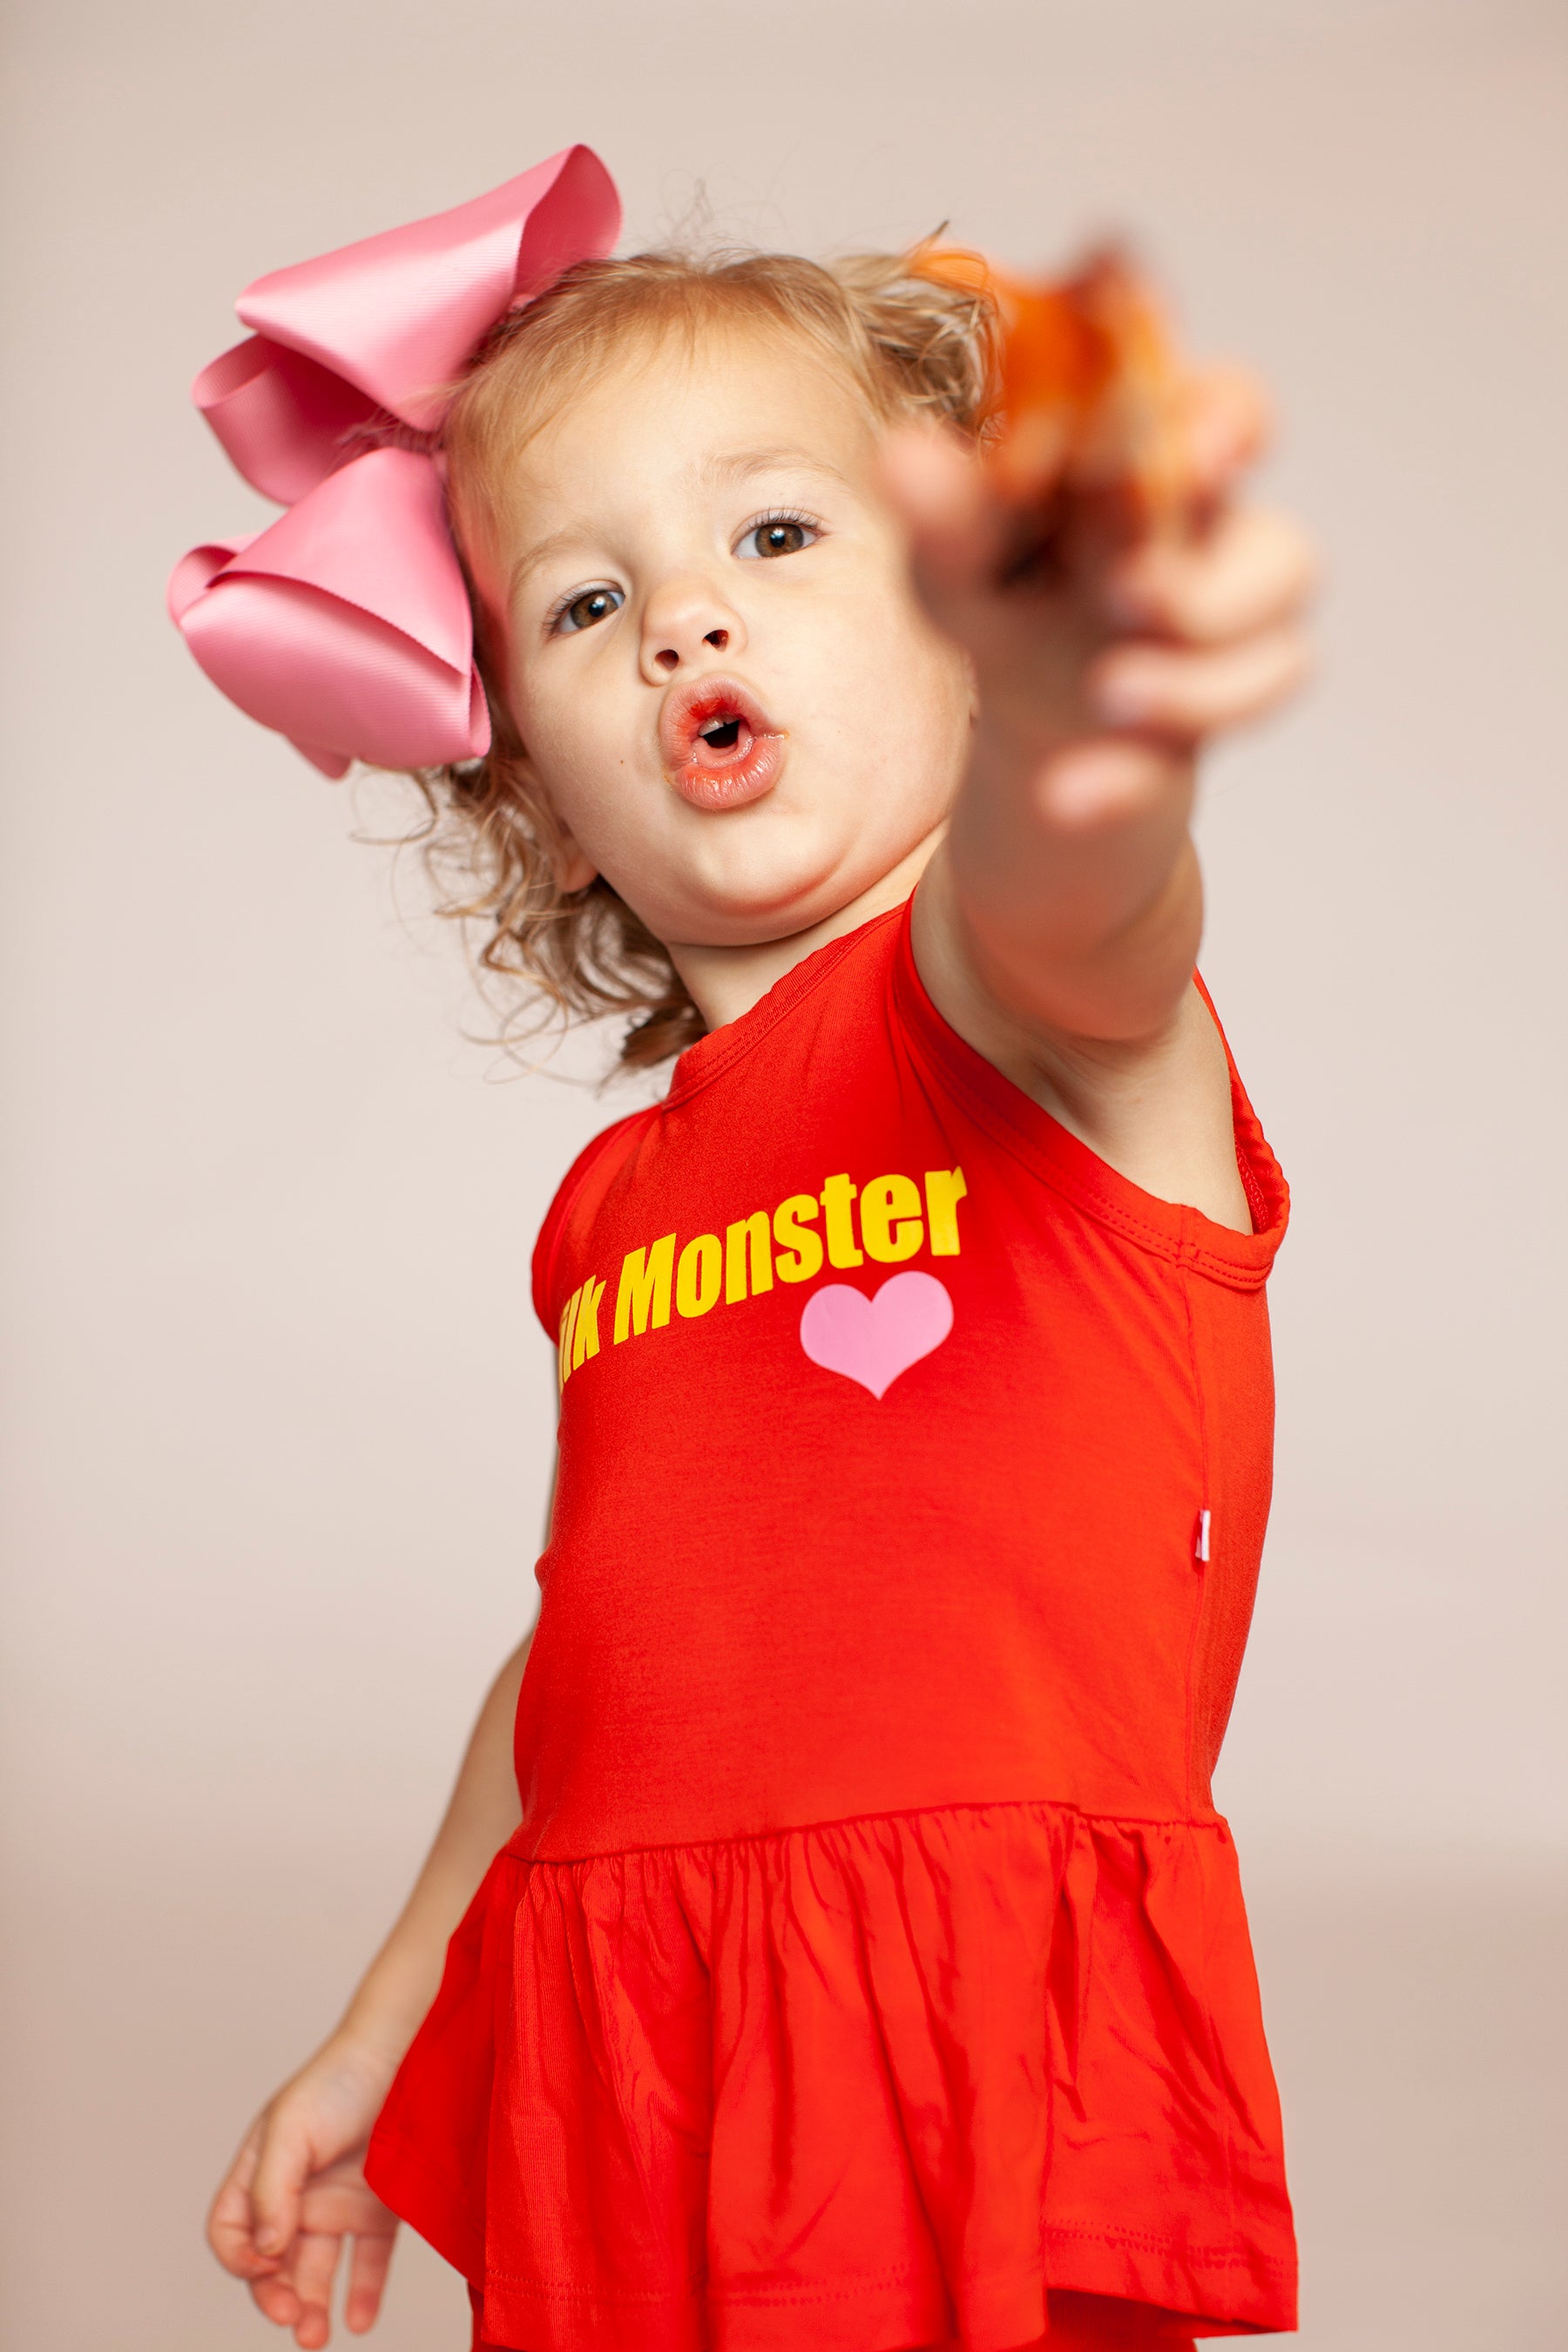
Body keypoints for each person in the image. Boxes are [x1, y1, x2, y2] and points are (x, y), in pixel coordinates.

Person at [179, 145, 1315, 2352]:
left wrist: (1085, 731)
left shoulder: (1022, 1017)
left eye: (777, 538)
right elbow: (590, 1651)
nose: (685, 620)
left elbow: (1091, 898)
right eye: (585, 605)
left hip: (946, 2036)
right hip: (633, 2048)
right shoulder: (612, 1208)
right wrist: (382, 2026)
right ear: (534, 792)